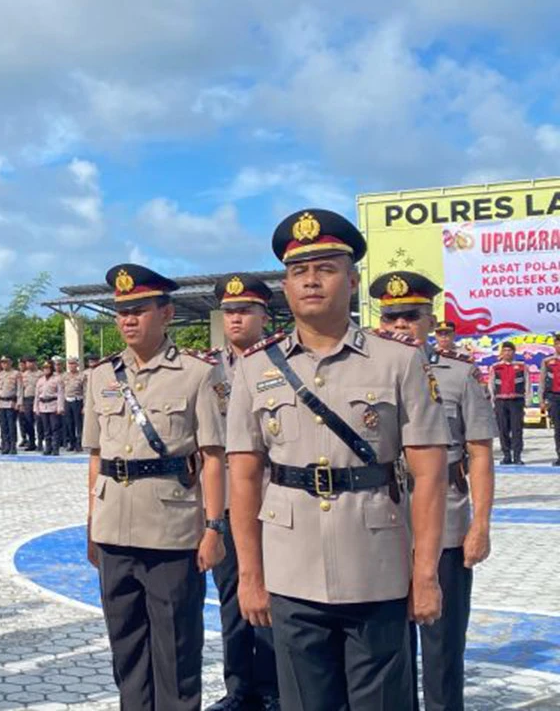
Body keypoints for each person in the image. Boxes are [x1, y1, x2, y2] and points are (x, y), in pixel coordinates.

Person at [227, 208, 449, 711]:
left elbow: (430, 476)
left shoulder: (399, 361)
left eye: (325, 269)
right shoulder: (254, 369)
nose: (311, 281)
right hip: (291, 568)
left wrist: (425, 573)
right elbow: (243, 478)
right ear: (285, 287)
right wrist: (250, 575)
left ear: (351, 282)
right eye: (298, 271)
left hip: (377, 565)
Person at [85, 263, 227, 711]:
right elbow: (96, 457)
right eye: (121, 312)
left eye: (139, 310)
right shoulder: (101, 376)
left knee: (176, 650)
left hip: (172, 531)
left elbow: (213, 457)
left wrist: (214, 527)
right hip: (113, 528)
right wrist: (91, 522)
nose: (128, 320)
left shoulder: (197, 373)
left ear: (166, 313)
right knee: (126, 647)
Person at [371, 270, 497, 711]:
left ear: (430, 320)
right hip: (383, 523)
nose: (400, 326)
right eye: (391, 317)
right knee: (387, 647)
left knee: (442, 644)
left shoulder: (459, 376)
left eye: (410, 316)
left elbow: (479, 453)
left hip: (445, 524)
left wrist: (481, 524)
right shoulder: (367, 372)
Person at [206, 275, 279, 711]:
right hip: (227, 501)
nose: (235, 318)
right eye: (229, 311)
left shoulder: (282, 363)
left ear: (264, 316)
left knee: (273, 594)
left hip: (273, 498)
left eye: (245, 310)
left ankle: (273, 689)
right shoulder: (205, 369)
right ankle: (238, 689)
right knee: (231, 597)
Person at [490, 341, 526, 465]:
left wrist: (528, 400)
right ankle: (506, 455)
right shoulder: (495, 367)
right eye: (504, 350)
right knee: (503, 429)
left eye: (509, 350)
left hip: (517, 401)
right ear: (501, 353)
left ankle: (517, 456)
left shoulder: (521, 366)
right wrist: (492, 401)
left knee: (517, 429)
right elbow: (491, 385)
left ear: (514, 352)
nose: (507, 353)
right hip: (500, 401)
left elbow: (528, 383)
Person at [34, 359, 64, 456]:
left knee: (55, 428)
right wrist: (36, 408)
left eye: (48, 368)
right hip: (43, 406)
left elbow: (60, 394)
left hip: (53, 405)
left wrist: (60, 407)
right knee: (46, 429)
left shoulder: (57, 379)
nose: (46, 370)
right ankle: (48, 447)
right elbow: (37, 395)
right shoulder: (40, 380)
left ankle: (55, 448)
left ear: (52, 368)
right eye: (44, 368)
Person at [0, 356, 22, 454]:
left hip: (11, 403)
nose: (4, 364)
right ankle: (5, 444)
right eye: (2, 362)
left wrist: (19, 402)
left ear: (11, 362)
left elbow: (19, 389)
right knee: (3, 425)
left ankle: (13, 445)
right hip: (1, 403)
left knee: (11, 425)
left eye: (6, 362)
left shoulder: (16, 374)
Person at [543, 335, 560, 466]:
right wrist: (542, 399)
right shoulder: (547, 361)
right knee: (558, 429)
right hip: (554, 397)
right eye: (557, 344)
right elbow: (542, 381)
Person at [62, 356, 85, 452]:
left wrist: (84, 405)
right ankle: (72, 443)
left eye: (73, 363)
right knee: (69, 423)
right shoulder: (65, 376)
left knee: (78, 424)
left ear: (77, 365)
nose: (71, 366)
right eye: (70, 364)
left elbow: (85, 391)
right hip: (68, 401)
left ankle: (79, 444)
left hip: (77, 401)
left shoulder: (81, 376)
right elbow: (62, 390)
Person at [19, 356, 41, 450]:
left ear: (35, 363)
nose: (28, 364)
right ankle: (31, 442)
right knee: (28, 422)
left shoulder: (40, 374)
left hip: (38, 399)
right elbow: (20, 389)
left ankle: (41, 441)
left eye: (30, 362)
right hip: (27, 399)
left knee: (39, 422)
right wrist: (20, 403)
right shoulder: (23, 375)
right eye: (27, 362)